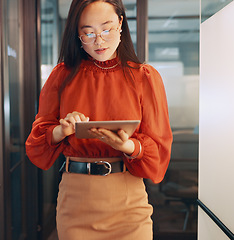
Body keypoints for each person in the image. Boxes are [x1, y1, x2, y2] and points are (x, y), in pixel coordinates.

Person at [25, 0, 173, 239]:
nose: (99, 41)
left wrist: (127, 146)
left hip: (128, 203)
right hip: (76, 201)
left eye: (106, 29)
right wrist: (61, 131)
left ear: (121, 23)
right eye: (88, 33)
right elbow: (35, 147)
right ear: (77, 33)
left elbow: (159, 153)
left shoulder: (144, 77)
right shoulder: (62, 75)